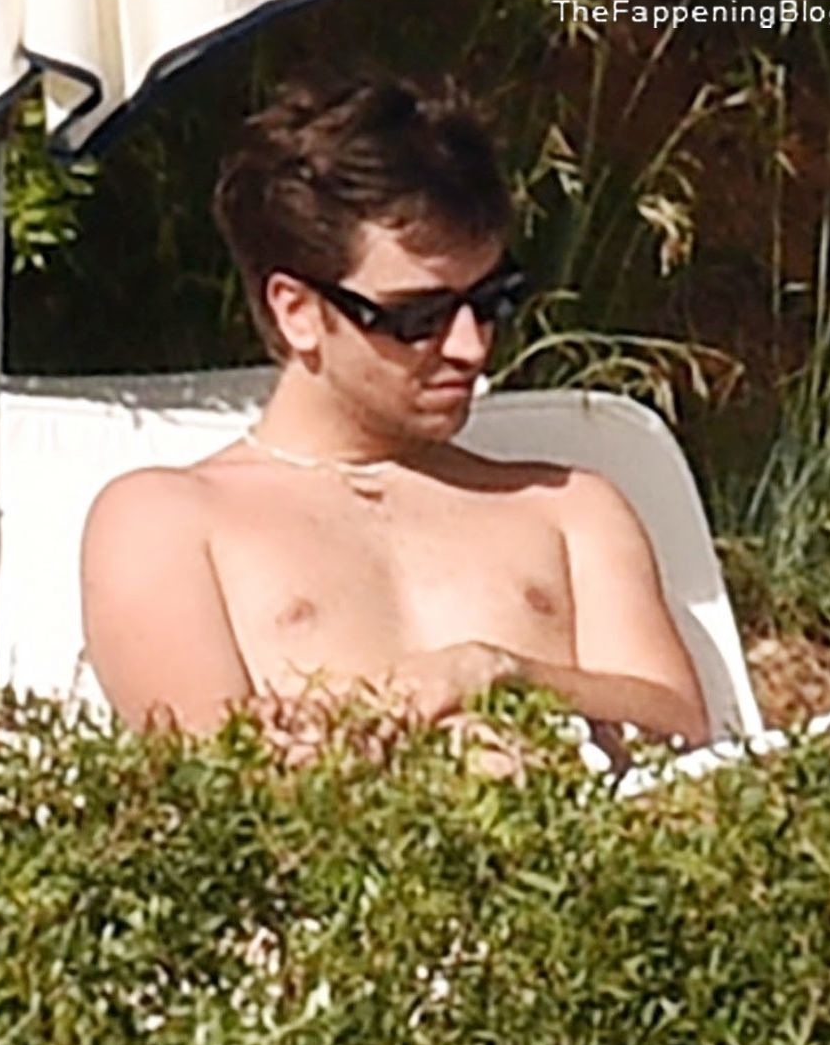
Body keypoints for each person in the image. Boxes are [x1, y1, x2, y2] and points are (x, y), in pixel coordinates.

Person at [80, 71, 711, 749]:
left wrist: (505, 676)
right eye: (419, 316)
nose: (471, 347)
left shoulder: (568, 508)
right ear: (297, 311)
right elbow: (214, 783)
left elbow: (685, 730)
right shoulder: (169, 523)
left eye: (491, 301)